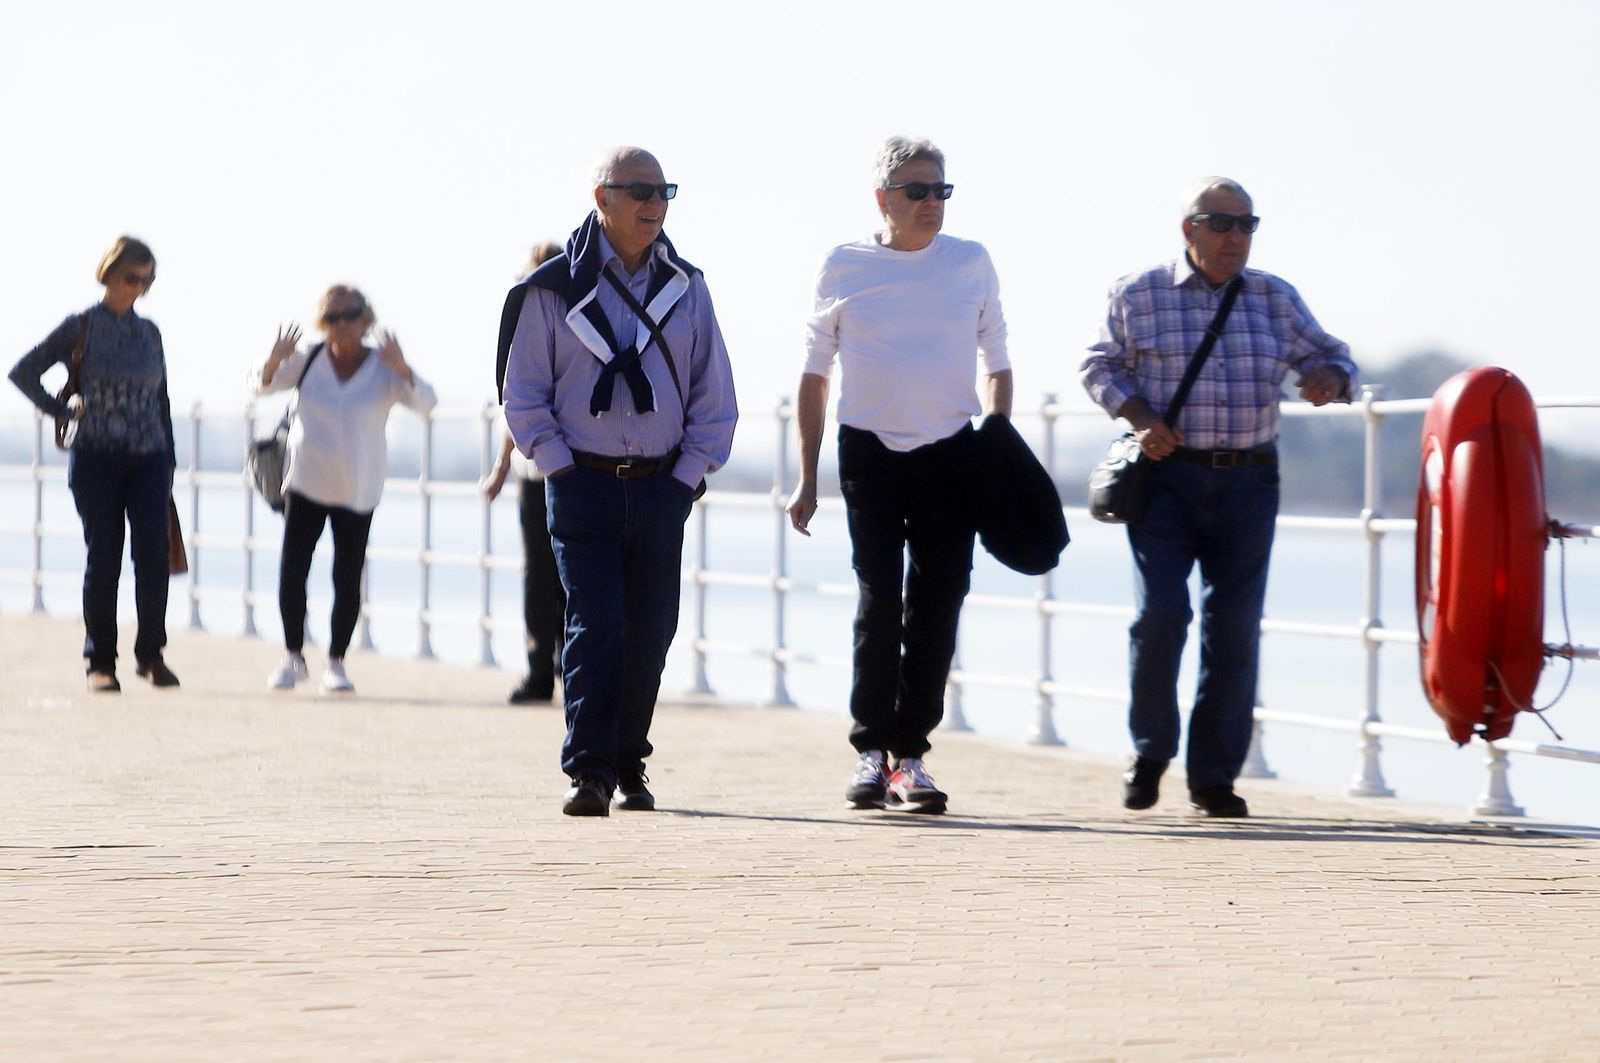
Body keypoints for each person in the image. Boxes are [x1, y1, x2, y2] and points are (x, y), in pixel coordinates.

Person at [1080, 177, 1358, 818]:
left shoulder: (1274, 297)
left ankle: (1213, 779)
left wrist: (1329, 379)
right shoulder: (1138, 293)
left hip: (1248, 482)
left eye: (1246, 225)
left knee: (1233, 631)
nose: (1236, 237)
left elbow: (1335, 357)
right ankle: (1150, 752)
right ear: (1190, 229)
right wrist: (1142, 419)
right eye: (1222, 224)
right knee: (1160, 617)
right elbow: (1099, 365)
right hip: (1166, 480)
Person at [499, 146, 737, 817]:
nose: (654, 204)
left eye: (664, 192)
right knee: (596, 625)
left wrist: (684, 478)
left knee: (650, 634)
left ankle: (629, 760)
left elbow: (715, 396)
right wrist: (559, 468)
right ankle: (590, 771)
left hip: (662, 486)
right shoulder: (553, 289)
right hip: (582, 483)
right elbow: (523, 393)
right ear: (601, 197)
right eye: (639, 191)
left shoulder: (688, 287)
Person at [786, 136, 1012, 815]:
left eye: (940, 190)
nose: (930, 202)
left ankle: (910, 759)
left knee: (938, 605)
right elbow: (814, 375)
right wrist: (807, 477)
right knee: (878, 601)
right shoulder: (845, 264)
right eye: (916, 190)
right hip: (869, 453)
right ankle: (870, 752)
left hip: (952, 454)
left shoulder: (970, 262)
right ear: (883, 198)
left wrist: (998, 445)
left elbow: (998, 361)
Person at [9, 236, 179, 692]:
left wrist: (169, 460)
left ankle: (151, 655)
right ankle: (100, 662)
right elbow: (23, 373)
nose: (139, 287)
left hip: (149, 458)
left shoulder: (150, 333)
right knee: (104, 559)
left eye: (147, 280)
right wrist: (63, 412)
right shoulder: (81, 326)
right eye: (132, 277)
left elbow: (161, 398)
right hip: (96, 459)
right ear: (110, 274)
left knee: (153, 556)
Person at [252, 285, 438, 695]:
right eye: (332, 317)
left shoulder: (383, 366)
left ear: (365, 319)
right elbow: (260, 386)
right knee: (293, 570)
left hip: (358, 488)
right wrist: (273, 360)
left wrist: (403, 367)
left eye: (350, 315)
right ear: (323, 323)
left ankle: (336, 662)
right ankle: (293, 656)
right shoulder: (309, 358)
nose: (342, 324)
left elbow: (427, 402)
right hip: (306, 481)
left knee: (347, 576)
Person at [483, 241, 566, 705]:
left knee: (569, 575)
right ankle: (540, 671)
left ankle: (566, 669)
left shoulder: (577, 318)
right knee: (539, 574)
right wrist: (500, 469)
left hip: (569, 472)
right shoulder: (521, 324)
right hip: (533, 475)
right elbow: (514, 407)